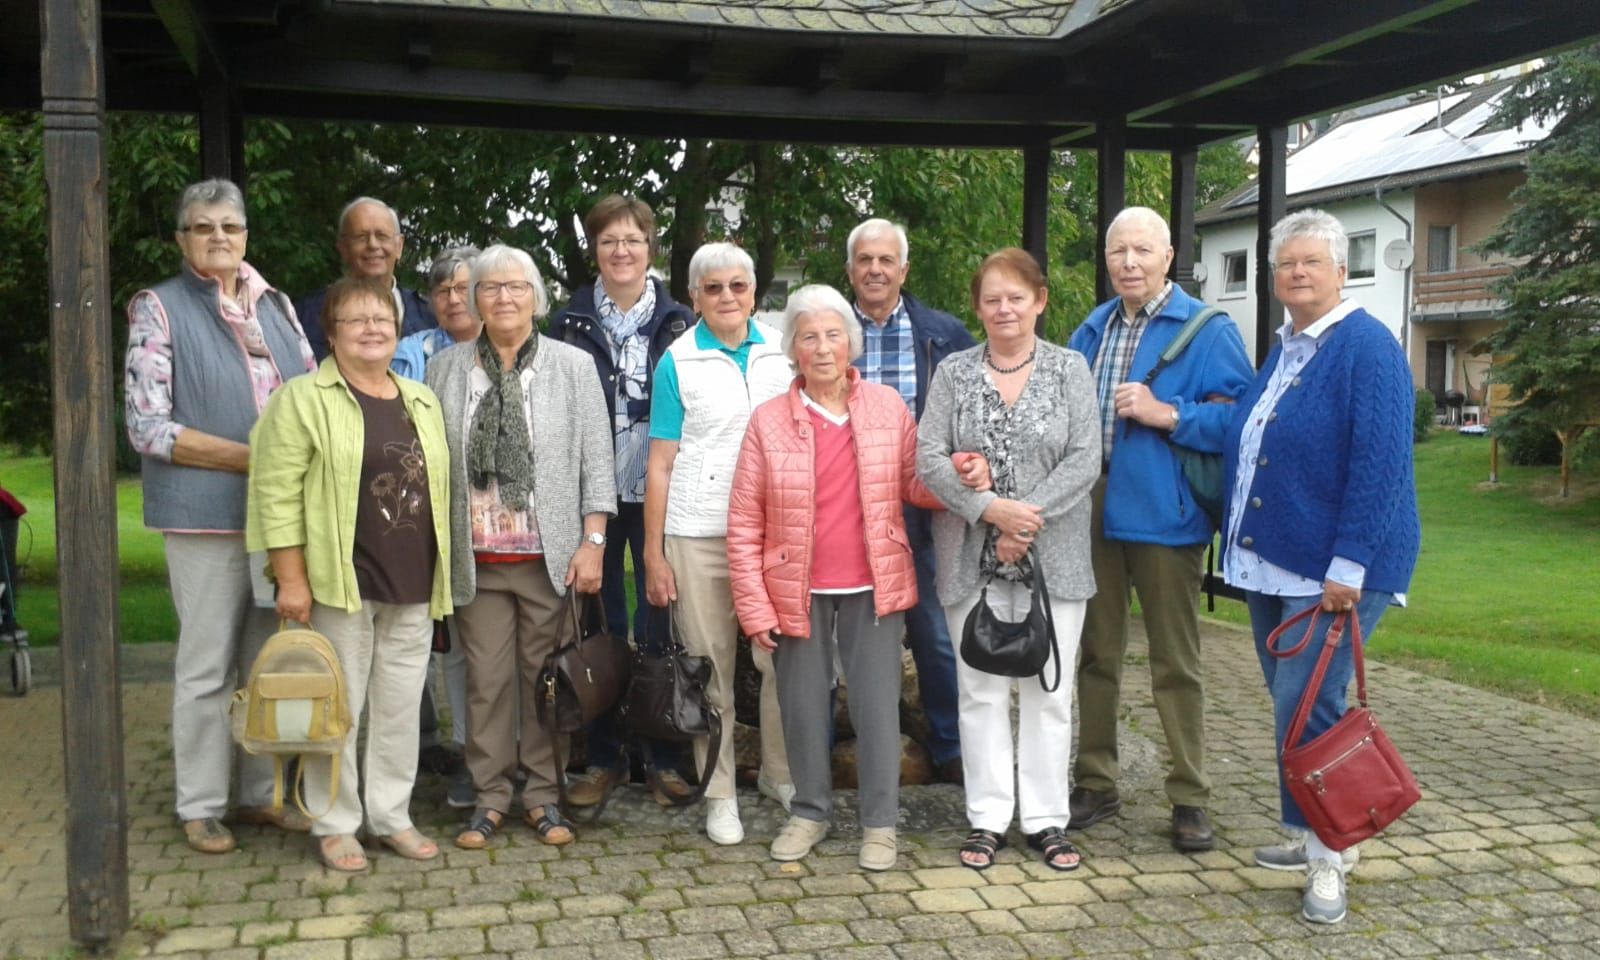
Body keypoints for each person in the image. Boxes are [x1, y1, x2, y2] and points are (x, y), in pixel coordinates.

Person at [726, 285, 990, 871]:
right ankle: (810, 813)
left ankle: (880, 824)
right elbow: (743, 522)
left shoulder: (886, 407)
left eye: (833, 334)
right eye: (809, 336)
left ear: (852, 342)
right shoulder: (768, 422)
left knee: (876, 708)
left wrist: (959, 473)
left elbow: (915, 485)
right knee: (801, 708)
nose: (822, 347)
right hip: (796, 588)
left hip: (875, 584)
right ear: (792, 349)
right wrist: (755, 607)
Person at [1222, 208, 1420, 925]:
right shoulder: (1285, 349)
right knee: (1293, 705)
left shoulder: (1366, 347)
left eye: (1311, 261)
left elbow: (1382, 463)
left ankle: (1329, 858)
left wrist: (1350, 564)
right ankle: (1311, 829)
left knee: (1308, 711)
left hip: (1333, 568)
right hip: (1273, 561)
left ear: (1342, 270)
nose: (1296, 274)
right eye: (1285, 265)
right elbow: (1254, 436)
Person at [123, 178, 318, 854]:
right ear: (182, 240)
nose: (218, 239)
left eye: (229, 228)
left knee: (267, 665)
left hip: (280, 523)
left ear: (245, 236)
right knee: (206, 669)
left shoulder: (278, 304)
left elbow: (312, 393)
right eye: (202, 228)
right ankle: (200, 803)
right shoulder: (160, 307)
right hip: (205, 517)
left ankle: (255, 794)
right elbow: (147, 427)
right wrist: (256, 459)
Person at [247, 275, 453, 872]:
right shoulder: (302, 400)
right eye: (356, 319)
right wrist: (290, 578)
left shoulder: (420, 399)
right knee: (336, 709)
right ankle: (334, 822)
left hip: (413, 581)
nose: (372, 328)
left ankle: (391, 815)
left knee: (397, 708)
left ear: (398, 330)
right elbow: (275, 495)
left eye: (382, 318)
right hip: (341, 582)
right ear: (331, 333)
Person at [1065, 206, 1254, 852]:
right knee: (1096, 654)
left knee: (1176, 662)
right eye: (1119, 250)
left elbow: (1238, 423)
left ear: (1168, 256)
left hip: (1166, 518)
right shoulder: (1090, 329)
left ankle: (1189, 796)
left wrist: (1165, 413)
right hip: (1093, 511)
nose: (1129, 262)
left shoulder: (1207, 330)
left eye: (1142, 250)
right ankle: (1095, 779)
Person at [425, 244, 615, 851]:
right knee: (485, 683)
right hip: (476, 558)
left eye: (516, 287)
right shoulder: (445, 368)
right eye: (490, 288)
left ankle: (541, 795)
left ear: (537, 296)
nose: (503, 297)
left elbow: (598, 462)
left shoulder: (572, 366)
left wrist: (593, 542)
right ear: (473, 299)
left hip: (549, 557)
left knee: (545, 682)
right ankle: (489, 796)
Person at [918, 248, 1100, 872]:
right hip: (971, 554)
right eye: (992, 298)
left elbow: (1085, 457)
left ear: (1040, 301)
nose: (1004, 308)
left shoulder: (1070, 369)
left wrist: (1024, 519)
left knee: (1050, 692)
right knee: (980, 691)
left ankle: (1047, 819)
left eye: (1016, 297)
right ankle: (988, 816)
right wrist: (990, 510)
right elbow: (929, 459)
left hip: (1058, 557)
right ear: (977, 306)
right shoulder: (954, 374)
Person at [643, 241, 794, 845]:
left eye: (738, 286)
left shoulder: (785, 350)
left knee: (783, 659)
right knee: (709, 671)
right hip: (698, 532)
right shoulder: (676, 362)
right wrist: (653, 553)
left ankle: (780, 775)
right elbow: (659, 464)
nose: (727, 297)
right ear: (693, 296)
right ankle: (720, 789)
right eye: (713, 288)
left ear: (755, 292)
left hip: (776, 534)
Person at [549, 196, 697, 807]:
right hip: (594, 494)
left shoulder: (681, 321)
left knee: (659, 616)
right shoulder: (568, 321)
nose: (621, 251)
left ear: (651, 248)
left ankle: (664, 757)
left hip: (662, 488)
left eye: (633, 240)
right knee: (601, 623)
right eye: (609, 240)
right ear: (595, 249)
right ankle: (604, 758)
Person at [844, 218, 976, 784]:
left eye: (885, 260)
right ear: (850, 269)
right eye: (864, 260)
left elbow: (973, 413)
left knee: (935, 633)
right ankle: (836, 740)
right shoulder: (824, 328)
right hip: (842, 501)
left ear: (904, 268)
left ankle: (950, 747)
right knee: (835, 632)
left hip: (921, 506)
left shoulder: (944, 335)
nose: (875, 269)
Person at [392, 245, 482, 810]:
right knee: (446, 644)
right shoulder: (411, 352)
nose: (453, 297)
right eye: (443, 289)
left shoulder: (508, 346)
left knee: (495, 644)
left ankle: (506, 753)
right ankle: (466, 753)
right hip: (424, 517)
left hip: (496, 521)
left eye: (463, 286)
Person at [297, 197, 437, 360]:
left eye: (382, 236)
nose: (373, 245)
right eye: (361, 237)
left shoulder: (431, 316)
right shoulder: (307, 315)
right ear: (343, 249)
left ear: (399, 246)